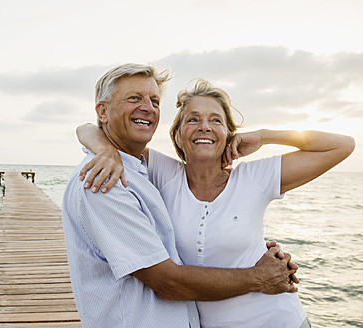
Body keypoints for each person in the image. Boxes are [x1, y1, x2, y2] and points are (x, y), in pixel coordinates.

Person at [77, 77, 355, 328]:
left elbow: (342, 145)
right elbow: (90, 128)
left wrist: (265, 136)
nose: (205, 127)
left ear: (229, 134)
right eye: (193, 119)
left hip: (279, 319)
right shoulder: (163, 172)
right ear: (178, 135)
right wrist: (105, 150)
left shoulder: (254, 178)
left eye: (216, 120)